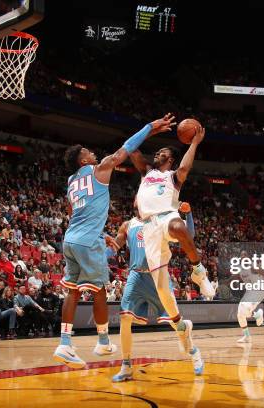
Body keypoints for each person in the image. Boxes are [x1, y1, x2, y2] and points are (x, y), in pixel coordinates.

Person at [54, 114, 175, 368]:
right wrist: (150, 128)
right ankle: (103, 340)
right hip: (87, 242)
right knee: (98, 289)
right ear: (83, 159)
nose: (92, 153)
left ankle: (65, 342)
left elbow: (73, 212)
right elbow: (126, 149)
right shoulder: (101, 168)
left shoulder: (71, 181)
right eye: (87, 151)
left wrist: (100, 233)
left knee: (73, 290)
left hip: (71, 240)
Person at [128, 124, 213, 372]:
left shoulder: (172, 176)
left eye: (163, 152)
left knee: (178, 226)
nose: (157, 154)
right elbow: (131, 148)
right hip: (149, 229)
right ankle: (185, 335)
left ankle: (199, 272)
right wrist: (151, 130)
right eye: (157, 152)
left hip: (166, 216)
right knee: (164, 292)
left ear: (171, 159)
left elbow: (186, 167)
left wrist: (194, 143)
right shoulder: (146, 171)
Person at [112, 205, 200, 382]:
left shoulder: (161, 222)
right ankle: (126, 365)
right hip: (136, 275)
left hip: (157, 274)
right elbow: (114, 246)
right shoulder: (128, 225)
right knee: (124, 317)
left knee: (176, 324)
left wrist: (188, 214)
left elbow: (188, 234)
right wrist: (100, 249)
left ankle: (193, 351)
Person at [235, 250, 264, 344]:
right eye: (241, 255)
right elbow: (235, 276)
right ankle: (246, 336)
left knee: (245, 308)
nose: (243, 256)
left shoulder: (253, 266)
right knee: (240, 314)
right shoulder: (241, 269)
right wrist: (226, 281)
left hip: (258, 291)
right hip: (249, 293)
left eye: (245, 255)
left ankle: (258, 314)